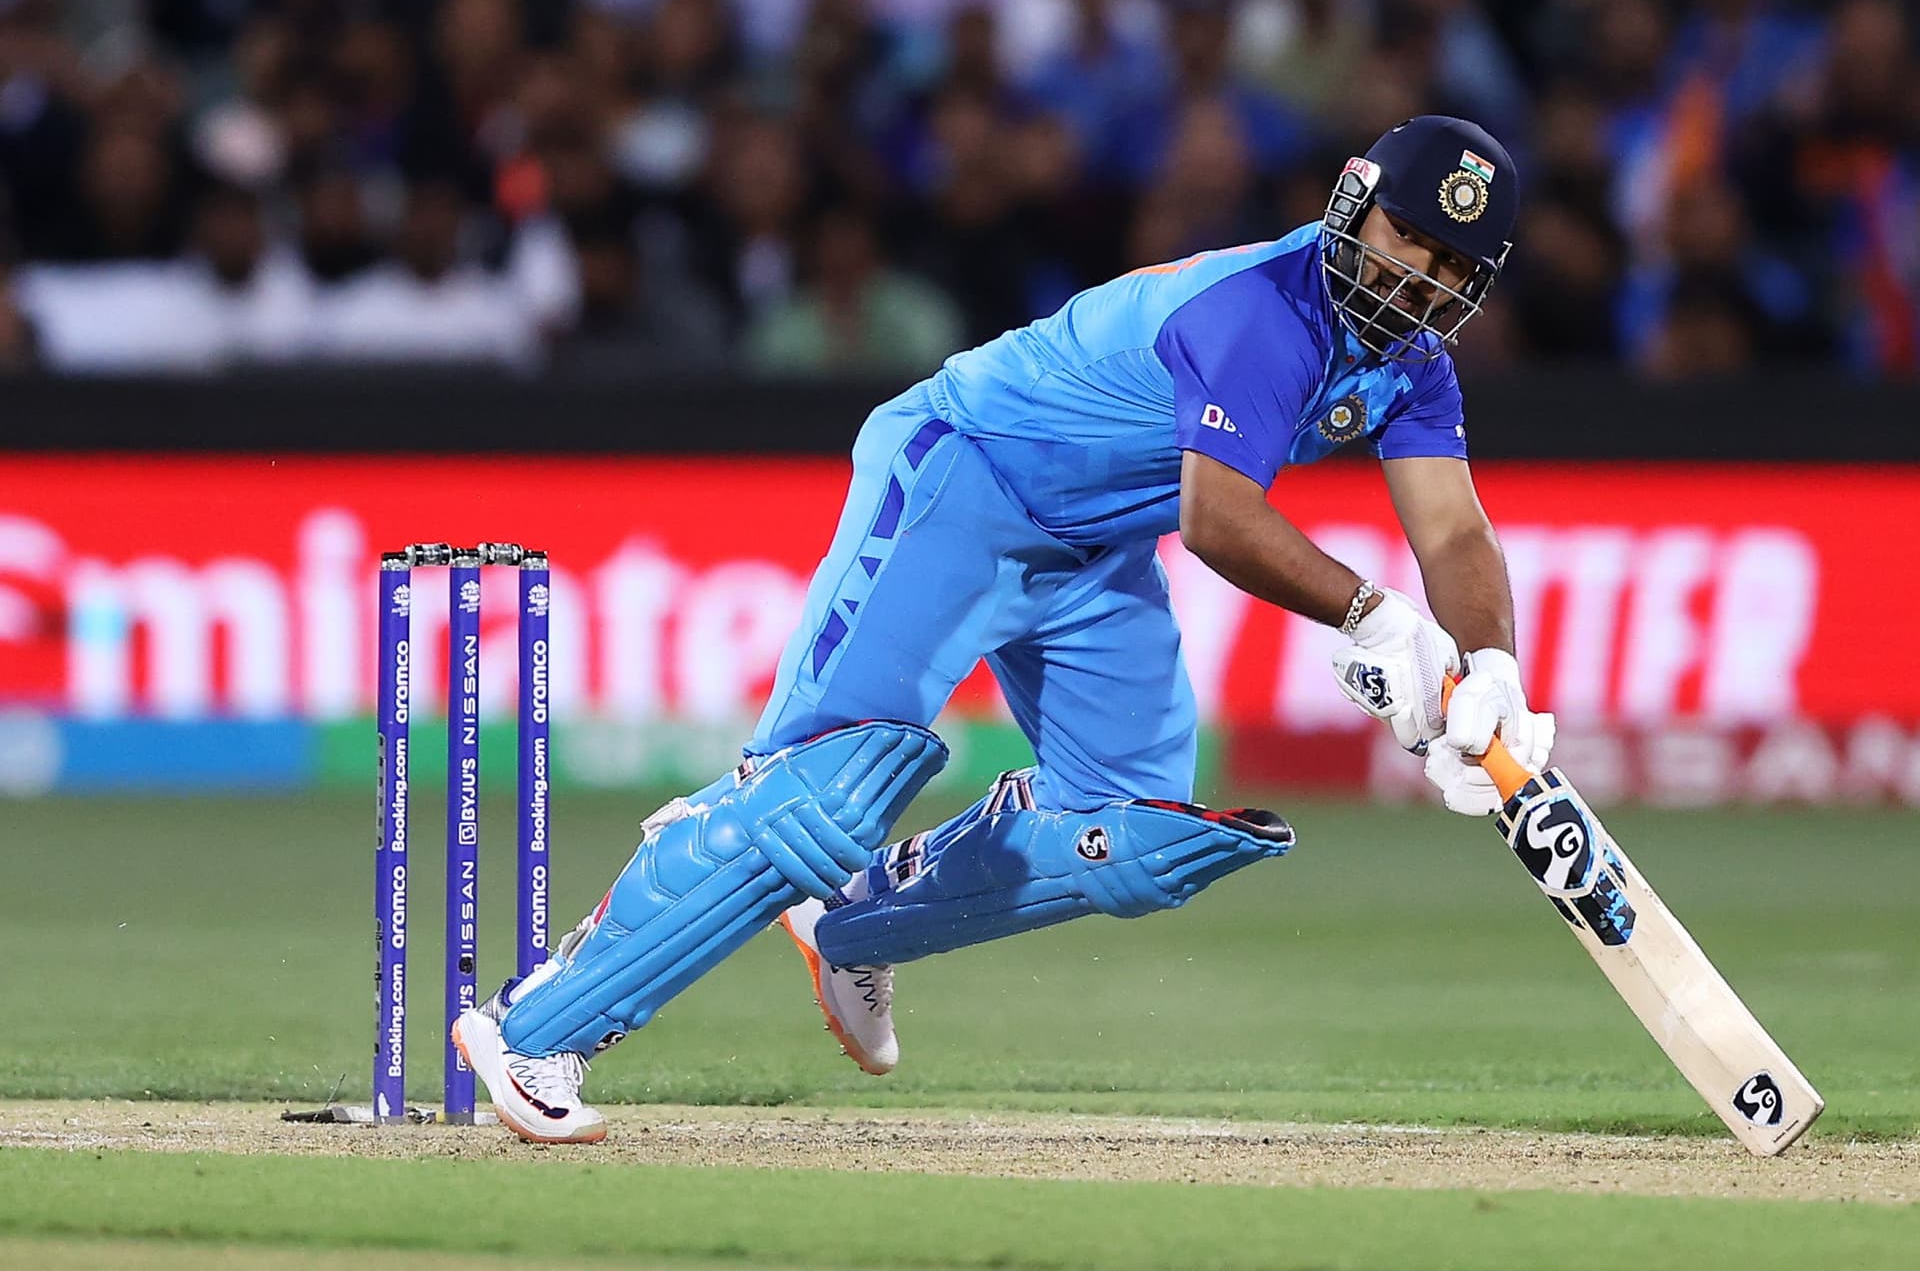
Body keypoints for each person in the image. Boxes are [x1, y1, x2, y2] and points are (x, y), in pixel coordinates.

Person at [452, 115, 1557, 1143]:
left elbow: (1455, 531)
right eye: (1409, 237)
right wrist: (1373, 617)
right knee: (827, 786)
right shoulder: (1262, 310)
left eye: (1454, 267)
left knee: (1136, 836)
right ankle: (532, 1028)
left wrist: (1494, 669)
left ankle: (853, 923)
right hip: (966, 480)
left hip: (1092, 554)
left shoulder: (1413, 367)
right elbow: (1218, 517)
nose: (1421, 276)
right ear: (1353, 205)